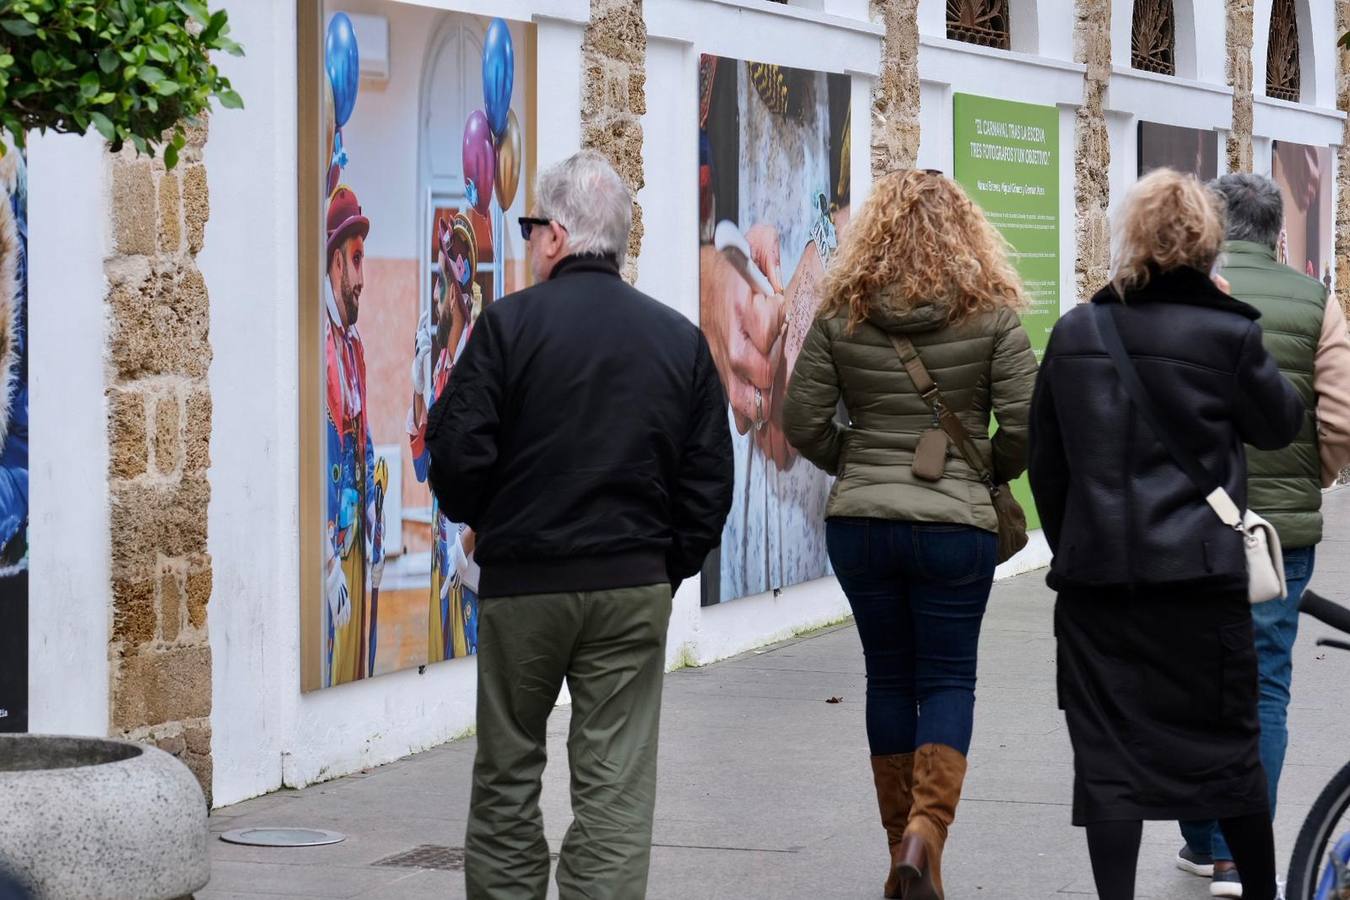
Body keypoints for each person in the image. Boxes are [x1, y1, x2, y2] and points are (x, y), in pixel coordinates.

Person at [426, 150, 733, 899]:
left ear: (557, 236)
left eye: (533, 228)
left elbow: (455, 455)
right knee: (616, 785)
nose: (531, 241)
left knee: (506, 770)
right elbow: (708, 484)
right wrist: (666, 566)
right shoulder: (678, 340)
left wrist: (491, 523)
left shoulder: (506, 328)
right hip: (630, 585)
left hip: (525, 584)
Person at [1028, 169, 1305, 900]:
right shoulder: (1230, 333)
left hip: (1098, 589)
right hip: (1202, 582)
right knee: (1227, 751)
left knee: (1109, 761)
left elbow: (1046, 467)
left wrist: (1081, 543)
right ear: (1208, 245)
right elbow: (1281, 424)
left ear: (1133, 239)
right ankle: (1255, 889)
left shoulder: (1077, 331)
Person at [783, 169, 1038, 900]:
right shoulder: (993, 317)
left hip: (861, 526)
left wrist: (857, 463)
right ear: (968, 235)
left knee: (889, 679)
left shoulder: (841, 315)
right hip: (955, 529)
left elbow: (801, 422)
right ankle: (925, 837)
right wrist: (983, 471)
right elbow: (1025, 427)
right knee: (949, 679)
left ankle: (902, 850)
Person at [1175, 173, 1350, 898]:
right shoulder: (1316, 301)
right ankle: (1237, 859)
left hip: (1184, 522)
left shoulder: (1178, 294)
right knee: (1265, 684)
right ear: (1280, 233)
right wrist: (1317, 475)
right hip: (1278, 529)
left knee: (1190, 681)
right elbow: (1340, 415)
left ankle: (1201, 841)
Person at [409, 212, 483, 663]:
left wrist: (465, 547)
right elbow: (422, 468)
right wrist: (416, 387)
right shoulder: (440, 369)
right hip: (445, 558)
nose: (434, 296)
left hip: (471, 564)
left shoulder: (478, 364)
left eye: (440, 285)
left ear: (455, 297)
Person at [323, 185, 385, 687]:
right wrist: (326, 564)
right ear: (335, 264)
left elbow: (361, 440)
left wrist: (373, 523)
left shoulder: (353, 344)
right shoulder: (322, 342)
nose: (362, 279)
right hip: (333, 555)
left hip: (353, 547)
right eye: (356, 261)